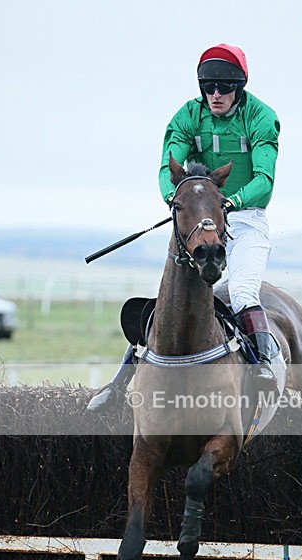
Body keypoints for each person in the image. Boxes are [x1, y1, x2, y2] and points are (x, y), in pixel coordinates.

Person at [87, 43, 280, 413]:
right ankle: (118, 385)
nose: (216, 95)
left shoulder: (261, 117)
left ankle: (263, 368)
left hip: (245, 218)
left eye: (225, 88)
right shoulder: (188, 115)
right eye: (209, 88)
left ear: (239, 87)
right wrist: (175, 202)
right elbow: (168, 166)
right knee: (172, 300)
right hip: (198, 217)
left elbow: (264, 180)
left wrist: (231, 202)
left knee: (240, 291)